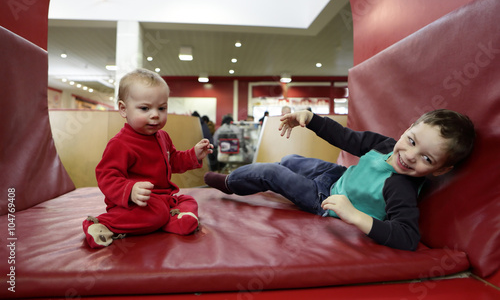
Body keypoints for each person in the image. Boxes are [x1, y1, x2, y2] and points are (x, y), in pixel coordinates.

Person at [204, 109, 475, 251]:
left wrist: (355, 216)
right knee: (289, 160)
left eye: (427, 159)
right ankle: (251, 177)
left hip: (327, 200)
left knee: (272, 173)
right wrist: (310, 119)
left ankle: (231, 183)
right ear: (407, 129)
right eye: (411, 141)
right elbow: (346, 137)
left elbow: (407, 237)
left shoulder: (400, 186)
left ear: (439, 170)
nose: (410, 155)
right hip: (337, 177)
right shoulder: (385, 145)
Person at [83, 68, 213, 249]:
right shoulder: (120, 143)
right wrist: (130, 190)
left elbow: (173, 160)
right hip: (136, 204)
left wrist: (193, 155)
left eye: (162, 108)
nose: (155, 115)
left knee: (187, 200)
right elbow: (106, 176)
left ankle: (172, 219)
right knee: (157, 213)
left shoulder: (163, 137)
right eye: (145, 108)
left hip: (164, 199)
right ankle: (102, 224)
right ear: (123, 109)